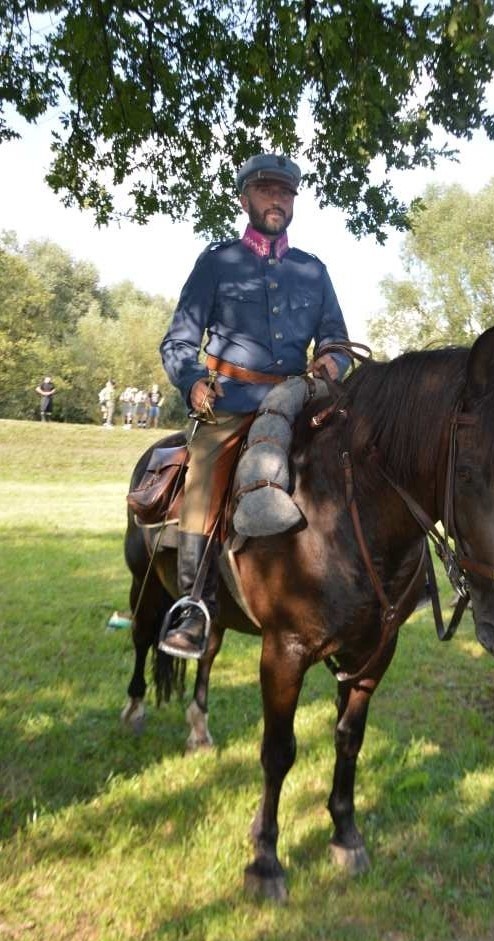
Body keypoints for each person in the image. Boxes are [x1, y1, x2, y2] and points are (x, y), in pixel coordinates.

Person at [159, 152, 350, 658]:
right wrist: (193, 382)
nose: (277, 201)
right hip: (231, 404)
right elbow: (178, 342)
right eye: (267, 191)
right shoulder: (217, 263)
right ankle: (193, 605)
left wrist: (331, 363)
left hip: (298, 403)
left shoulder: (314, 271)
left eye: (286, 193)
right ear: (245, 198)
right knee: (204, 475)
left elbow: (334, 338)